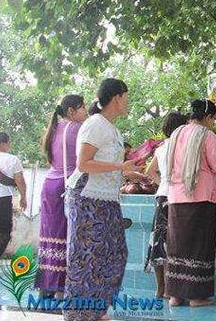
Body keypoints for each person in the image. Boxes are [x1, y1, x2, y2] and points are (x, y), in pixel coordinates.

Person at [64, 78, 140, 321]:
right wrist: (119, 165)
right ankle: (78, 314)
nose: (128, 101)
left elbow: (109, 166)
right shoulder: (95, 124)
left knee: (114, 253)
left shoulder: (113, 129)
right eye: (126, 96)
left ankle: (96, 309)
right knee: (86, 255)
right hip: (87, 198)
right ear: (117, 97)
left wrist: (127, 171)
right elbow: (83, 164)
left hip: (107, 200)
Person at [165, 99, 216, 307]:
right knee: (199, 246)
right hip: (201, 197)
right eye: (213, 119)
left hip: (175, 197)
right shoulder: (207, 135)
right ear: (208, 117)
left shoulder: (176, 134)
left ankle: (175, 295)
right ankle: (196, 296)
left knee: (178, 245)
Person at [35, 95, 87, 298]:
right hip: (67, 186)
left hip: (49, 185)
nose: (86, 112)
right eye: (82, 108)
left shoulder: (53, 129)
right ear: (72, 111)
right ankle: (61, 287)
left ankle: (46, 284)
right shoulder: (75, 128)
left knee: (50, 235)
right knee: (68, 234)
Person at [144, 112, 189, 298]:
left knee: (158, 242)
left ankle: (160, 288)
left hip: (161, 196)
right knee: (175, 242)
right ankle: (172, 289)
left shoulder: (161, 148)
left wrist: (163, 181)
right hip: (178, 198)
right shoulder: (184, 146)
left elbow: (149, 171)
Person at [0, 131, 27, 274]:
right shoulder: (12, 159)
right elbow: (20, 182)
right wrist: (23, 197)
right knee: (3, 231)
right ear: (3, 144)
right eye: (9, 142)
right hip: (1, 199)